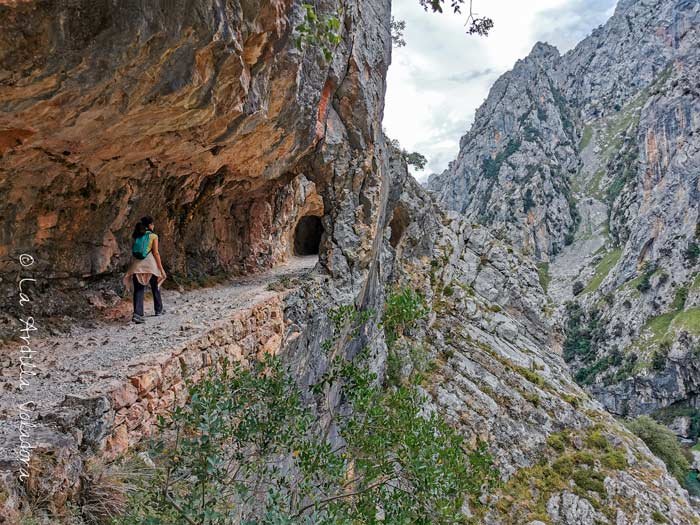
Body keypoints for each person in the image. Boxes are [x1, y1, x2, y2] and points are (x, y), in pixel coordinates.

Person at [123, 216, 167, 323]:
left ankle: (138, 314)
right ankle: (158, 309)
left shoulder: (137, 235)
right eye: (153, 224)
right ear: (150, 225)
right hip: (150, 265)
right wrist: (161, 268)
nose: (153, 225)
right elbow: (155, 253)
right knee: (155, 286)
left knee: (138, 289)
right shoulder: (153, 236)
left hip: (137, 266)